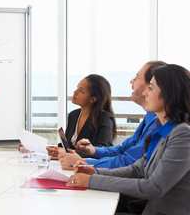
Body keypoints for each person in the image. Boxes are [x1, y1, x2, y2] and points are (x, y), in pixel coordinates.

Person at [67, 64, 190, 215]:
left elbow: (153, 187)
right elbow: (137, 169)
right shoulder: (163, 130)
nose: (145, 93)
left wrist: (91, 181)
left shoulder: (183, 134)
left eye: (150, 88)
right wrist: (96, 172)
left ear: (168, 94)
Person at [57, 61, 166, 169]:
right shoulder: (150, 118)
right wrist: (93, 150)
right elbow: (123, 149)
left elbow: (130, 161)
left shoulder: (158, 122)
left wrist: (83, 162)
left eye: (137, 77)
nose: (131, 81)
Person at [47, 74, 116, 158]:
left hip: (90, 167)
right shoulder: (73, 115)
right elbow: (68, 146)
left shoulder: (104, 117)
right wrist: (55, 150)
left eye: (81, 91)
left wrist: (70, 154)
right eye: (77, 87)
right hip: (70, 165)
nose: (75, 92)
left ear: (93, 99)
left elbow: (104, 149)